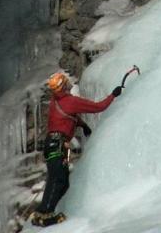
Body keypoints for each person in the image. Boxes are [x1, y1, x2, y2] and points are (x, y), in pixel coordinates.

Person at [30, 71, 122, 227]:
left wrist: (83, 125)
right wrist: (113, 95)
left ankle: (42, 210)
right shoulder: (70, 101)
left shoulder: (55, 101)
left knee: (60, 180)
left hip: (52, 144)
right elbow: (99, 107)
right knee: (58, 179)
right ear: (64, 86)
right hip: (58, 145)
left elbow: (65, 117)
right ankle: (45, 213)